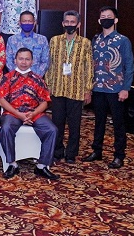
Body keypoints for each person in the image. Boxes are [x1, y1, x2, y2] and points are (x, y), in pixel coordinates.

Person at [83, 6, 134, 169]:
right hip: (98, 88)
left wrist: (126, 88)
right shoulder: (95, 39)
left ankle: (119, 155)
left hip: (116, 89)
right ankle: (97, 150)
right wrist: (89, 87)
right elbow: (90, 65)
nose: (106, 19)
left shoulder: (123, 40)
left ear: (115, 20)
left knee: (118, 123)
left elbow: (129, 66)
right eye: (103, 17)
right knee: (99, 121)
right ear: (99, 21)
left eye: (109, 17)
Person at [0, 48, 59, 180]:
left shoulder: (38, 79)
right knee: (6, 128)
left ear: (32, 61)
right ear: (15, 60)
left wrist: (33, 113)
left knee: (52, 129)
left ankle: (42, 166)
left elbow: (45, 102)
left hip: (34, 113)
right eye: (21, 59)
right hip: (12, 112)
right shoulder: (7, 78)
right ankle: (12, 164)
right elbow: (2, 101)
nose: (24, 62)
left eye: (27, 59)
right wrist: (18, 114)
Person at [45, 10, 93, 164]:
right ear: (63, 23)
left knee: (74, 125)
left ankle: (71, 153)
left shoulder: (85, 43)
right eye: (67, 22)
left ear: (78, 25)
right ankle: (58, 151)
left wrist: (88, 89)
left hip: (76, 90)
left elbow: (89, 67)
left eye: (73, 22)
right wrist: (48, 85)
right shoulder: (54, 41)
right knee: (57, 123)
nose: (69, 24)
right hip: (57, 88)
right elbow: (50, 64)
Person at [5, 11, 49, 77]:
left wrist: (35, 77)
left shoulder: (42, 40)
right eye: (24, 21)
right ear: (19, 23)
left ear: (34, 23)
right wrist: (18, 76)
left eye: (30, 21)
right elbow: (8, 61)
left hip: (36, 78)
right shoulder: (12, 40)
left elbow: (45, 61)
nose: (27, 23)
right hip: (16, 78)